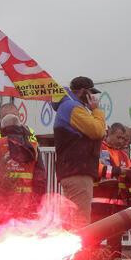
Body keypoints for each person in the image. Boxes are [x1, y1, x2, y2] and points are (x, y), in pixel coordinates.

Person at [51, 76, 107, 228]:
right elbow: (97, 131)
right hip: (77, 172)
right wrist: (96, 110)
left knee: (72, 220)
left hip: (73, 171)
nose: (93, 97)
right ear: (83, 91)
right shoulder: (73, 107)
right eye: (91, 93)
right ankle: (81, 252)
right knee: (80, 221)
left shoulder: (69, 106)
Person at [91, 122, 131, 260]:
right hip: (99, 202)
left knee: (115, 241)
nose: (121, 141)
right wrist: (119, 171)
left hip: (119, 204)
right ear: (109, 133)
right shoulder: (98, 148)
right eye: (119, 137)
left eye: (124, 139)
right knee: (94, 238)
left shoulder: (124, 155)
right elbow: (95, 169)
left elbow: (130, 177)